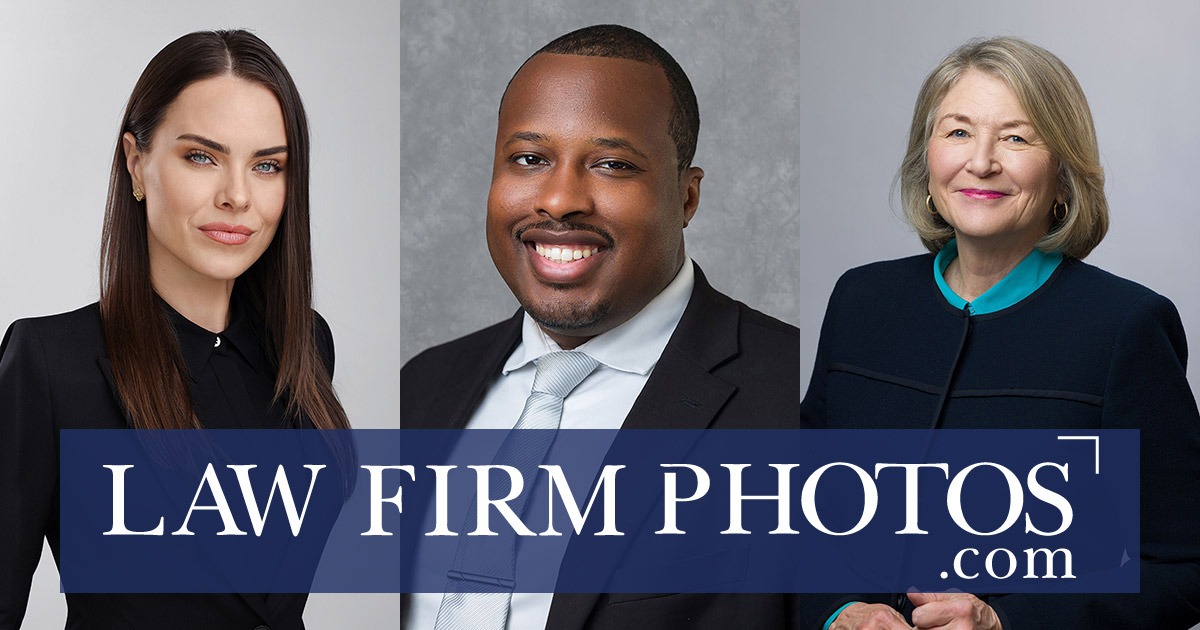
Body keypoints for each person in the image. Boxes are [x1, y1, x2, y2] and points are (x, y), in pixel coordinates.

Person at [400, 24, 808, 630]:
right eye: (530, 159)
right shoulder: (423, 387)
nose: (561, 199)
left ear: (687, 197)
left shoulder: (795, 397)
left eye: (613, 165)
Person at [802, 36, 1200, 629]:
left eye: (1016, 137)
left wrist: (1005, 622)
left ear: (1064, 176)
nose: (981, 161)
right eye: (958, 132)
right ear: (927, 157)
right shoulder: (862, 301)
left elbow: (1185, 566)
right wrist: (835, 612)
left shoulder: (1124, 327)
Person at [0, 30, 350, 629]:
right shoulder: (50, 365)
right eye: (202, 157)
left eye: (267, 166)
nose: (238, 196)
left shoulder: (304, 345)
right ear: (137, 164)